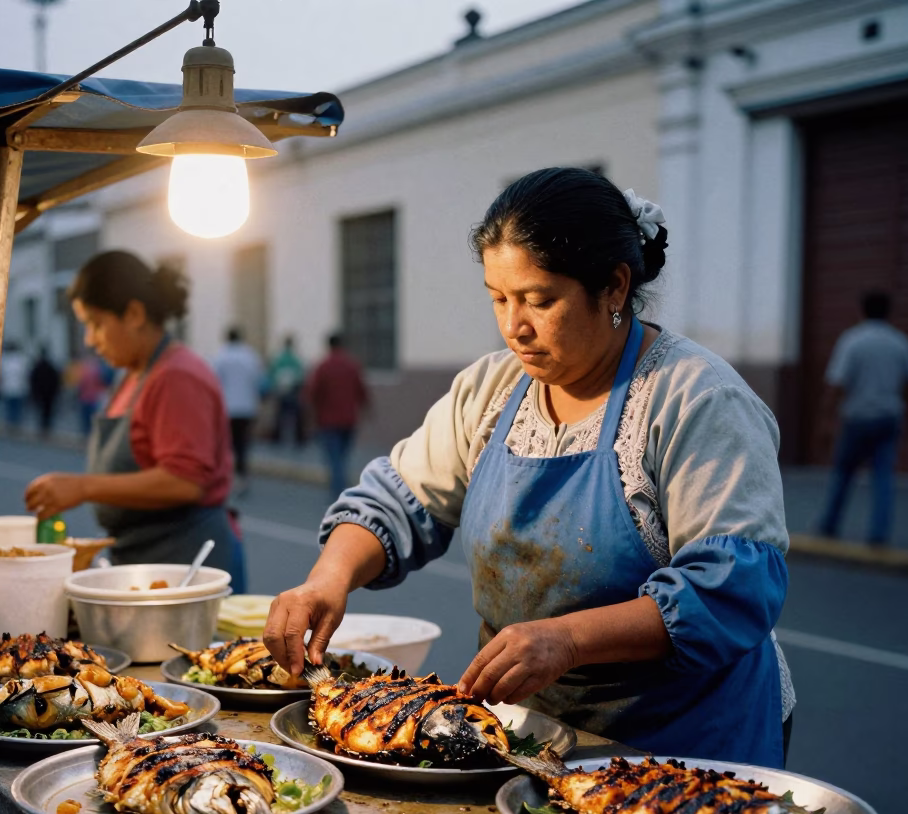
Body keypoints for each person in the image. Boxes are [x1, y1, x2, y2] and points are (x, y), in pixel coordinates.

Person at [264, 168, 793, 768]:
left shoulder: (694, 400)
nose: (515, 326)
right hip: (530, 736)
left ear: (615, 288)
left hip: (684, 748)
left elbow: (730, 589)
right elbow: (397, 499)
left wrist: (567, 639)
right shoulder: (489, 392)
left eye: (540, 300)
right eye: (499, 298)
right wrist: (328, 579)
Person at [23, 251, 245, 587]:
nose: (89, 339)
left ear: (134, 314)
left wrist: (83, 487)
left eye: (96, 324)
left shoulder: (177, 376)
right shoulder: (132, 375)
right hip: (143, 558)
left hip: (186, 564)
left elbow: (184, 482)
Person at [818, 291, 908, 545]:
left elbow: (837, 384)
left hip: (857, 418)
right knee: (883, 476)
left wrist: (826, 419)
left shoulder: (852, 341)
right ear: (889, 312)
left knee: (843, 473)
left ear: (861, 311)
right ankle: (878, 533)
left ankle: (829, 525)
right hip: (888, 417)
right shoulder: (900, 342)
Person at [304, 332, 369, 500]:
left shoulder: (323, 366)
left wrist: (312, 414)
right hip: (348, 419)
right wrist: (366, 409)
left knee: (334, 458)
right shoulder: (352, 365)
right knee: (342, 456)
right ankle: (341, 486)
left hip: (328, 420)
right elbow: (361, 389)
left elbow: (313, 392)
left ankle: (339, 492)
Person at [212, 326, 264, 494]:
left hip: (227, 408)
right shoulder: (250, 356)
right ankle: (243, 475)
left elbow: (214, 381)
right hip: (247, 408)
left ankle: (229, 476)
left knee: (227, 445)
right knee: (243, 444)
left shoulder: (221, 356)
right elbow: (259, 380)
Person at [268, 335, 305, 446]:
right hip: (293, 389)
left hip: (281, 389)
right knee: (296, 415)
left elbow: (272, 373)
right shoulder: (295, 358)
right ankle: (298, 438)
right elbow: (301, 374)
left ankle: (277, 437)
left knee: (279, 415)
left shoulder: (279, 358)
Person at [29, 345, 61, 436]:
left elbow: (33, 380)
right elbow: (56, 380)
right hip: (49, 394)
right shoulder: (51, 366)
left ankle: (42, 428)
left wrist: (34, 393)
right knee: (47, 412)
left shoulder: (37, 366)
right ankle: (46, 428)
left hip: (41, 393)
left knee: (40, 412)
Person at [0, 341, 30, 430]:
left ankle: (11, 424)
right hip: (19, 388)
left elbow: (2, 375)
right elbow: (26, 373)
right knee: (17, 408)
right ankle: (16, 424)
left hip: (8, 388)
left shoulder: (4, 359)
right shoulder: (22, 359)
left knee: (10, 408)